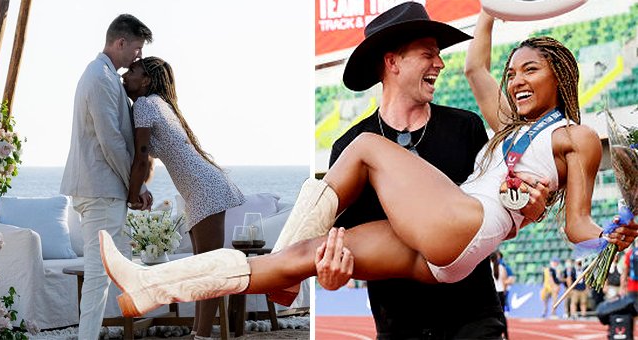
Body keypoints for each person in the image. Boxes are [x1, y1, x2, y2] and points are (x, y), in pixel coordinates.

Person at [97, 5, 638, 319]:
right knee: (306, 254)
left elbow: (577, 225)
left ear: (561, 77)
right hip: (432, 267)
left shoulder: (574, 136)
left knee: (366, 151)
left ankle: (281, 269)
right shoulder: (508, 129)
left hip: (469, 247)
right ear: (391, 62)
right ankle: (154, 286)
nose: (516, 80)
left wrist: (610, 233)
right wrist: (494, 11)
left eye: (531, 71)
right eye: (514, 72)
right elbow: (480, 63)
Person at [317, 2, 550, 338]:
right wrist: (333, 274)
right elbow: (346, 247)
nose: (440, 63)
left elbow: (496, 222)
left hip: (474, 322)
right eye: (428, 54)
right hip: (399, 328)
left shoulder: (466, 127)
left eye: (438, 54)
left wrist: (530, 209)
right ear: (392, 62)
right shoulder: (347, 148)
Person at [122, 56, 245, 338]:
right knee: (201, 267)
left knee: (208, 268)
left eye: (133, 71)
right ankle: (198, 333)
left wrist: (132, 196)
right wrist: (140, 189)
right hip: (199, 189)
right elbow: (147, 161)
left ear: (147, 81)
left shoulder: (144, 104)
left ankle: (200, 335)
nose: (125, 75)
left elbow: (142, 158)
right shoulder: (157, 104)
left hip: (205, 188)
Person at [59, 14, 153, 340]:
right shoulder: (100, 77)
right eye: (137, 49)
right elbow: (110, 140)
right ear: (121, 42)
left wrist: (136, 187)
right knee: (98, 278)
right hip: (100, 191)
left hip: (103, 190)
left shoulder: (106, 76)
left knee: (111, 273)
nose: (138, 57)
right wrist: (133, 186)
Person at [490, 252, 509, 338]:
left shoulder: (488, 267)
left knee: (492, 316)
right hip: (501, 293)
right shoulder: (501, 267)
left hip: (492, 293)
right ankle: (505, 335)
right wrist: (504, 292)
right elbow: (505, 281)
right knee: (502, 315)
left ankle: (495, 335)